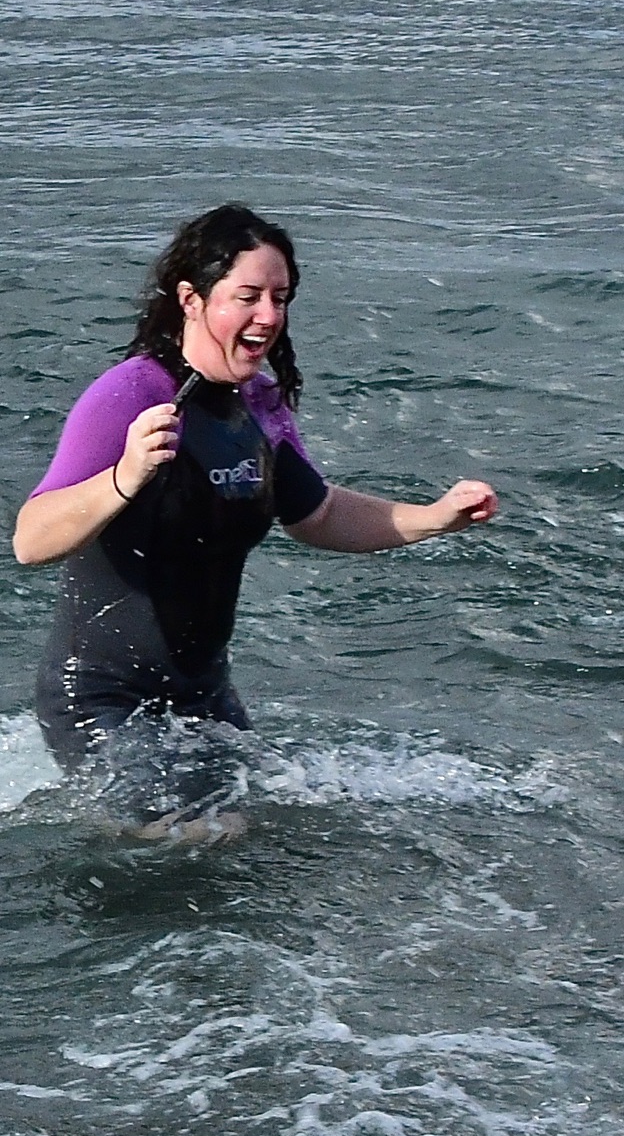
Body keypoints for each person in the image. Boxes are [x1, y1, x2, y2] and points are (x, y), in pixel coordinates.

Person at [13, 204, 499, 776]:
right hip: (100, 696)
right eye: (248, 297)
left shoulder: (260, 406)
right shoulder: (128, 396)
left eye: (281, 297)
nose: (268, 316)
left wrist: (436, 518)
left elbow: (317, 514)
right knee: (191, 838)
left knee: (263, 833)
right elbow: (31, 541)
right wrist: (125, 476)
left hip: (202, 697)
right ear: (192, 300)